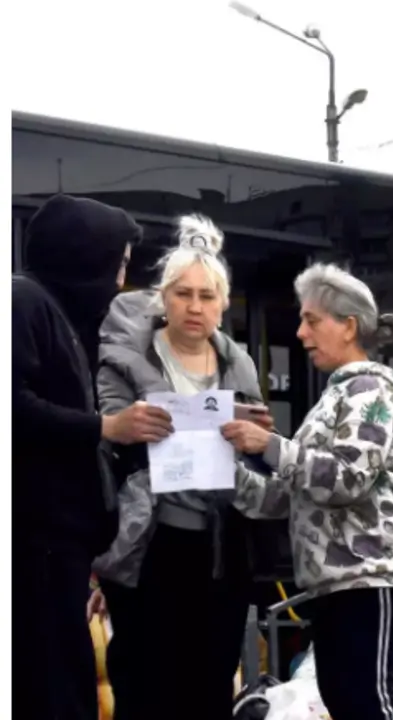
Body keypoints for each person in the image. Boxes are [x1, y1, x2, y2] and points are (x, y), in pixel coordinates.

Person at [92, 215, 272, 720]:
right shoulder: (127, 358)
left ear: (223, 304)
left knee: (211, 683)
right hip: (146, 544)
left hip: (221, 549)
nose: (195, 307)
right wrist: (126, 426)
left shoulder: (239, 364)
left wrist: (257, 437)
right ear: (163, 299)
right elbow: (103, 443)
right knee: (144, 684)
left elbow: (256, 457)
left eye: (207, 296)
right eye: (183, 294)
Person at [223, 262, 393, 720]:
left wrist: (269, 445)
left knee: (366, 702)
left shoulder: (370, 391)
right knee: (345, 700)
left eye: (311, 320)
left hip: (368, 576)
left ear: (348, 326)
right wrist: (221, 468)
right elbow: (285, 495)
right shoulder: (337, 396)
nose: (300, 333)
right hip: (335, 580)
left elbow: (349, 478)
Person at [13, 193, 173, 720]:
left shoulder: (56, 313)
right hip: (35, 543)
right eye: (117, 264)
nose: (120, 282)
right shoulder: (23, 301)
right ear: (85, 256)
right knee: (52, 685)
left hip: (58, 547)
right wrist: (107, 426)